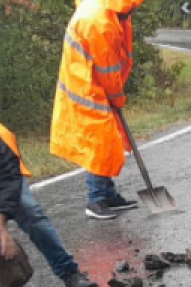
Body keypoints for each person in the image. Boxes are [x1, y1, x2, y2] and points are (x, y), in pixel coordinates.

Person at [50, 0, 144, 221]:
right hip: (86, 87)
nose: (134, 10)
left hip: (88, 80)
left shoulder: (107, 9)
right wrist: (117, 97)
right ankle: (97, 199)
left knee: (107, 140)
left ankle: (108, 194)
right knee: (100, 143)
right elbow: (107, 70)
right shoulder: (99, 23)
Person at [0, 124, 99, 287]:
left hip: (4, 173)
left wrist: (2, 229)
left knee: (30, 213)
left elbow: (7, 176)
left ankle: (71, 275)